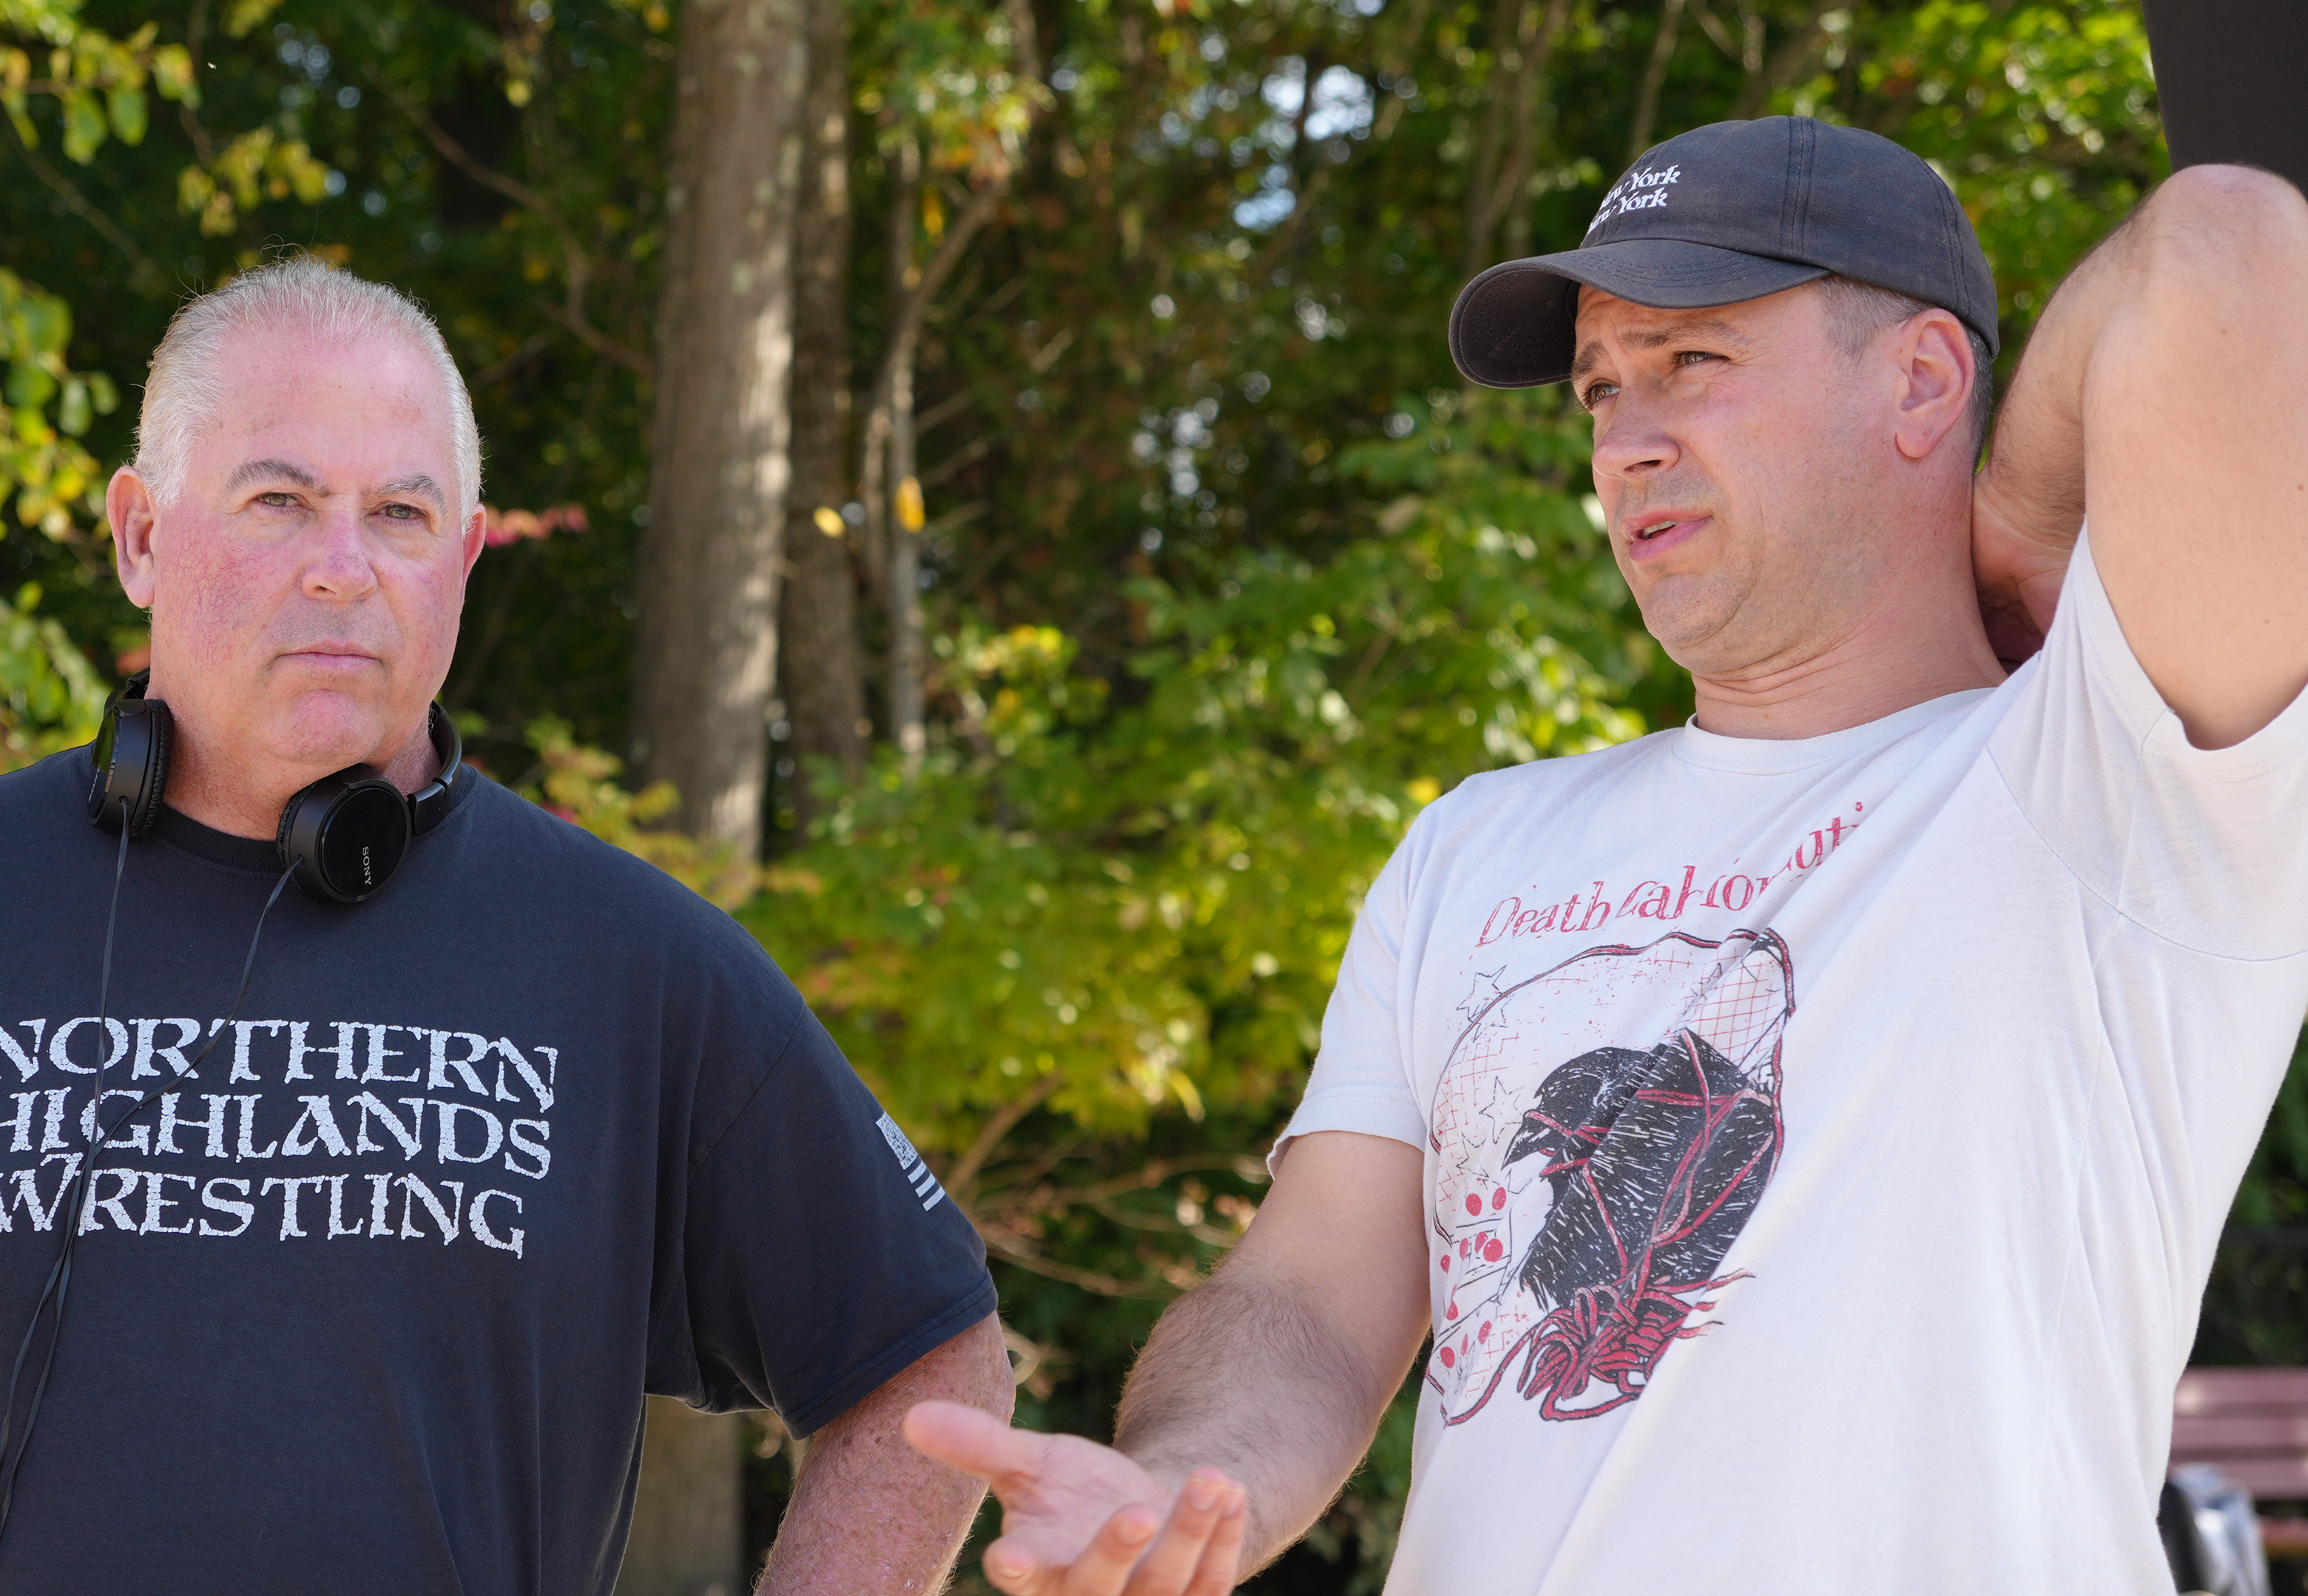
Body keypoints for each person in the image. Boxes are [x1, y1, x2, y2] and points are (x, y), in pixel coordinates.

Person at [905, 115, 2308, 1594]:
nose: (1626, 441)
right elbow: (1307, 1299)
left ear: (1921, 382)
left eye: (1693, 359)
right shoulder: (1472, 842)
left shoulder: (2113, 777)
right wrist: (1188, 1483)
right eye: (1599, 387)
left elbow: (2233, 244)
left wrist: (2018, 505)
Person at [0, 256, 1011, 1594]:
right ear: (140, 535)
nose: (344, 567)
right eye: (279, 500)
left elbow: (929, 1366)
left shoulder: (637, 968)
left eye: (402, 513)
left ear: (464, 560)